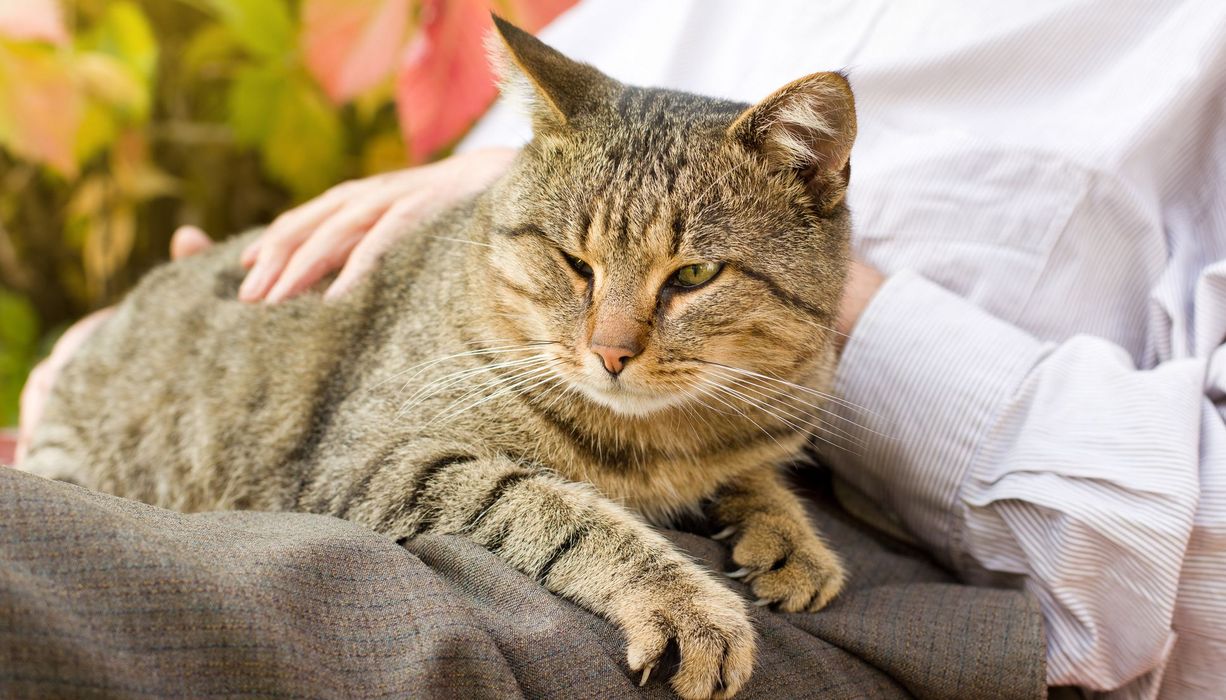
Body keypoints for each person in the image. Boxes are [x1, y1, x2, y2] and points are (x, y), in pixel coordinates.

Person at [17, 1, 1226, 697]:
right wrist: (145, 342)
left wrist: (841, 312)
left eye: (681, 283)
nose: (611, 343)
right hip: (262, 436)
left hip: (845, 603)